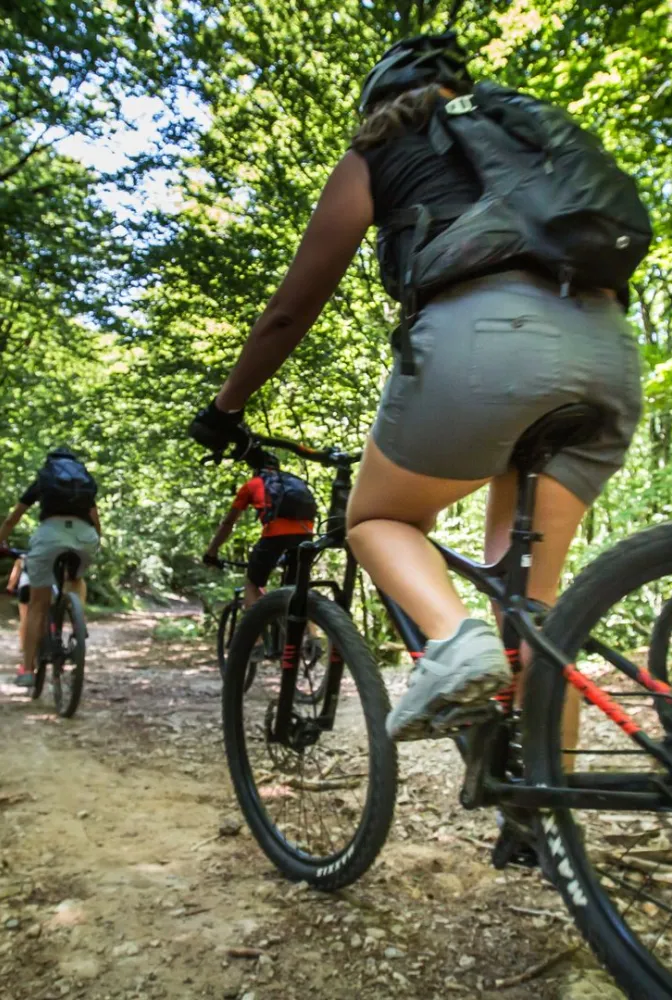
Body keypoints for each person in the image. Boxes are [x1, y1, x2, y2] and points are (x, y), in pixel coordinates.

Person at [189, 32, 644, 742]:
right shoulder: (526, 141)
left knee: (375, 520)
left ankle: (451, 641)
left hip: (488, 339)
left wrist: (226, 407)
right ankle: (543, 824)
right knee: (532, 617)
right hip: (607, 347)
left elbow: (288, 312)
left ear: (377, 102)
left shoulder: (379, 150)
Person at [0, 448, 100, 686]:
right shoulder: (83, 485)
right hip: (85, 537)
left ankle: (27, 669)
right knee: (75, 578)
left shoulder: (44, 481)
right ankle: (78, 619)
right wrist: (95, 545)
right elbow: (97, 523)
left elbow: (13, 518)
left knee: (37, 603)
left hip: (50, 536)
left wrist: (2, 540)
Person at [203, 450, 316, 610]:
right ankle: (311, 634)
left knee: (252, 584)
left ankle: (255, 635)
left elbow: (228, 523)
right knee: (299, 589)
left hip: (275, 536)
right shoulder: (295, 481)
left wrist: (212, 552)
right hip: (306, 535)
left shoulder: (253, 484)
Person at [6, 555, 30, 672]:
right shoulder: (46, 556)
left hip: (25, 587)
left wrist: (10, 586)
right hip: (44, 588)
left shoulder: (22, 559)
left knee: (24, 618)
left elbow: (14, 576)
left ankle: (23, 646)